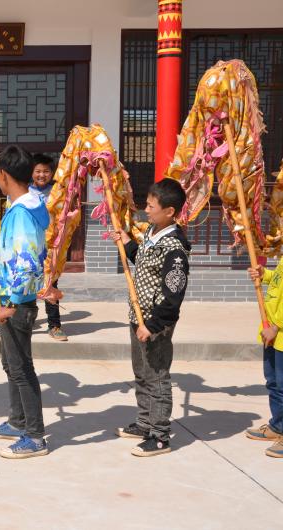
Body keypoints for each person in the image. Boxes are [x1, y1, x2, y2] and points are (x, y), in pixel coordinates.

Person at [110, 178, 190, 457]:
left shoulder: (174, 248)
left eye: (151, 206)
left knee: (157, 376)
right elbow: (143, 262)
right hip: (138, 316)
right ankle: (144, 423)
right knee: (141, 373)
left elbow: (173, 295)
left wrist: (153, 325)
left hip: (155, 323)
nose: (146, 210)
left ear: (169, 211)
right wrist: (128, 243)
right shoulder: (151, 233)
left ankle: (159, 435)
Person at [0, 145, 52, 459]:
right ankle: (17, 421)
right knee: (11, 365)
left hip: (16, 303)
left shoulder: (22, 212)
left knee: (22, 369)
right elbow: (18, 252)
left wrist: (8, 303)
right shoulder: (24, 206)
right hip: (15, 299)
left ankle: (35, 437)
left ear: (3, 175)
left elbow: (27, 262)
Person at [246, 263, 283, 458]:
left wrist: (276, 326)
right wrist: (265, 274)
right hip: (272, 333)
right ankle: (278, 427)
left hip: (277, 330)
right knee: (274, 383)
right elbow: (279, 280)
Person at [29, 153, 66, 341]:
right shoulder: (24, 192)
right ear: (31, 172)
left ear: (52, 173)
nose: (41, 175)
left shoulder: (57, 192)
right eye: (38, 171)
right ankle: (28, 319)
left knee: (51, 283)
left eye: (46, 171)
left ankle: (54, 325)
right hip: (30, 245)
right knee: (28, 283)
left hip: (51, 247)